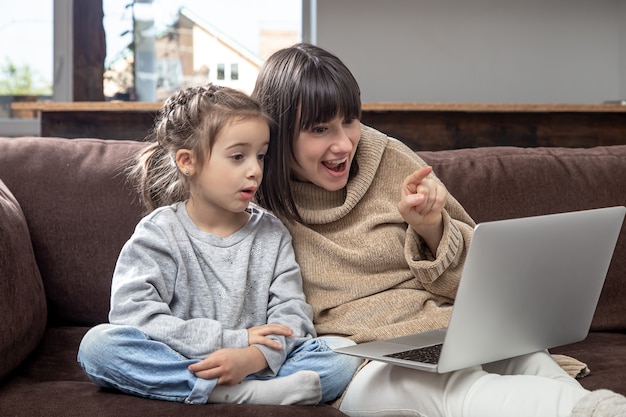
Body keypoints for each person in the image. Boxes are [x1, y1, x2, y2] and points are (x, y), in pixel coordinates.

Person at [251, 43, 626, 417]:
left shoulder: (387, 158)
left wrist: (432, 229)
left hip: (447, 333)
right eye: (320, 129)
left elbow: (481, 285)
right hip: (358, 359)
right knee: (454, 389)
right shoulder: (251, 195)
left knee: (532, 361)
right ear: (280, 135)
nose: (344, 143)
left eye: (350, 120)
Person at [77, 84, 361, 406]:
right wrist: (232, 341)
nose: (254, 170)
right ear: (188, 161)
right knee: (98, 346)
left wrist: (251, 358)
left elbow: (292, 317)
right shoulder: (159, 232)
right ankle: (222, 392)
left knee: (342, 353)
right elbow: (135, 317)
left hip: (259, 366)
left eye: (260, 156)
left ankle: (230, 389)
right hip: (185, 362)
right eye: (238, 156)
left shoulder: (272, 233)